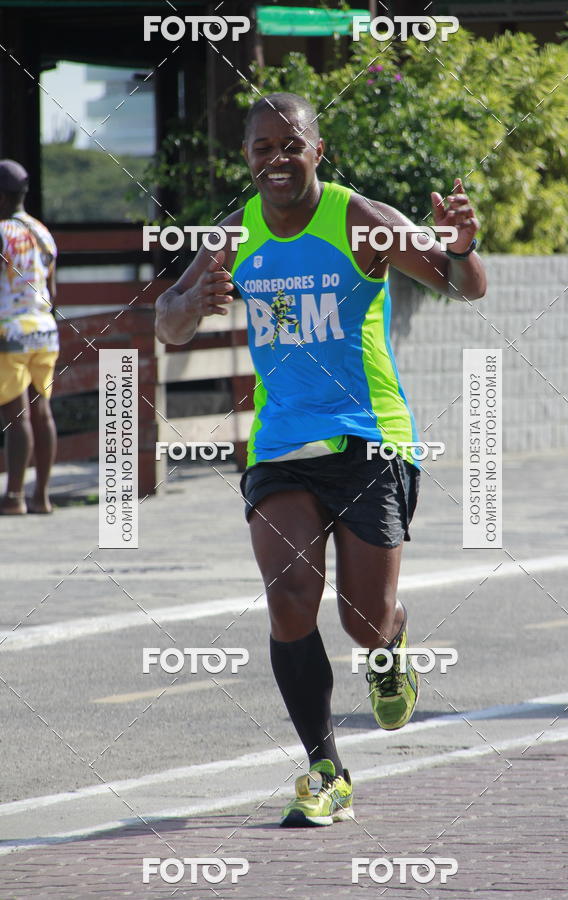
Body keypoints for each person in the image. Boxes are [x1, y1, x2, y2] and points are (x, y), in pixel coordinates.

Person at [156, 93, 486, 826]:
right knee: (288, 597)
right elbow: (167, 323)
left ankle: (390, 640)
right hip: (282, 444)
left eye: (290, 145)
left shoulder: (360, 219)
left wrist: (463, 249)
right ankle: (325, 769)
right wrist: (193, 304)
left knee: (363, 620)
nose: (276, 160)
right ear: (246, 157)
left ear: (318, 150)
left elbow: (462, 285)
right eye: (261, 148)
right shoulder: (234, 233)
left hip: (370, 439)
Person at [0, 160, 58, 515]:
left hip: (10, 330)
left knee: (17, 417)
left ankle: (14, 497)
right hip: (45, 330)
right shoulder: (42, 232)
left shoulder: (1, 232)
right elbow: (53, 289)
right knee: (42, 411)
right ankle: (42, 497)